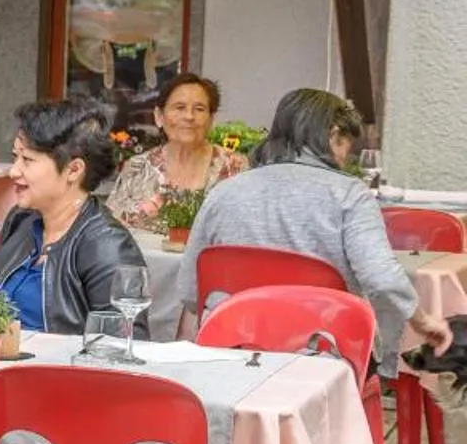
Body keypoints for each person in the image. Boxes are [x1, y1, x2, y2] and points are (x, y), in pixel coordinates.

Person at [165, 87, 450, 368]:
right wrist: (423, 321)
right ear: (334, 134)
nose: (345, 157)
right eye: (346, 144)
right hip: (322, 355)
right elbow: (382, 278)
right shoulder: (349, 194)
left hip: (233, 351)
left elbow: (191, 291)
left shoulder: (224, 192)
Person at [0, 98, 149, 337]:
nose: (13, 171)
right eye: (15, 158)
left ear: (74, 170)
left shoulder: (106, 244)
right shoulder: (22, 220)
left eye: (28, 160)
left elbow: (125, 342)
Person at [108, 73, 248, 229]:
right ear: (159, 116)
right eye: (179, 107)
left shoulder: (234, 167)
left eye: (199, 109)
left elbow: (244, 229)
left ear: (211, 119)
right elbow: (110, 228)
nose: (189, 116)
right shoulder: (137, 168)